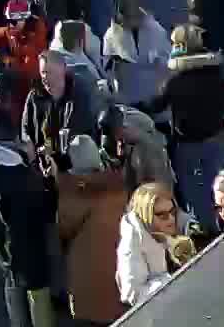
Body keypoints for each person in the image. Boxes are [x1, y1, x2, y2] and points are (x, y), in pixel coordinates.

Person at [0, 114, 53, 327]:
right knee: (36, 292)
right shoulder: (20, 178)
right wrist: (36, 167)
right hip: (28, 246)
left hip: (1, 241)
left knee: (12, 283)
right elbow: (44, 208)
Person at [150, 25, 224, 219]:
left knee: (192, 187)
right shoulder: (215, 74)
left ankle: (203, 225)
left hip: (187, 141)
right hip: (214, 135)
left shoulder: (175, 81)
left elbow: (156, 105)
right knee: (217, 181)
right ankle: (222, 218)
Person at [56, 135, 129, 327]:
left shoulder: (70, 193)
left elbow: (62, 229)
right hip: (117, 276)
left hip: (85, 286)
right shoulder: (118, 186)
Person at [21, 50, 99, 177]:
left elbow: (81, 130)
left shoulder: (78, 93)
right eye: (43, 73)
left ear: (63, 70)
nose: (45, 78)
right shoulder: (35, 97)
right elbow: (26, 128)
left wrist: (54, 153)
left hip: (74, 163)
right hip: (42, 162)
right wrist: (29, 144)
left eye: (49, 73)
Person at [115, 182, 184, 307]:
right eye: (162, 215)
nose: (170, 218)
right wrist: (172, 284)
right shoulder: (132, 243)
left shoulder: (179, 228)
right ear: (146, 215)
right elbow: (133, 294)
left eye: (172, 211)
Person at [102, 0, 169, 114]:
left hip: (153, 93)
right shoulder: (111, 34)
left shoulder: (156, 30)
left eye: (133, 18)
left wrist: (157, 60)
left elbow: (167, 56)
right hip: (128, 95)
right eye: (126, 19)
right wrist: (114, 64)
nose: (129, 22)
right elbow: (106, 64)